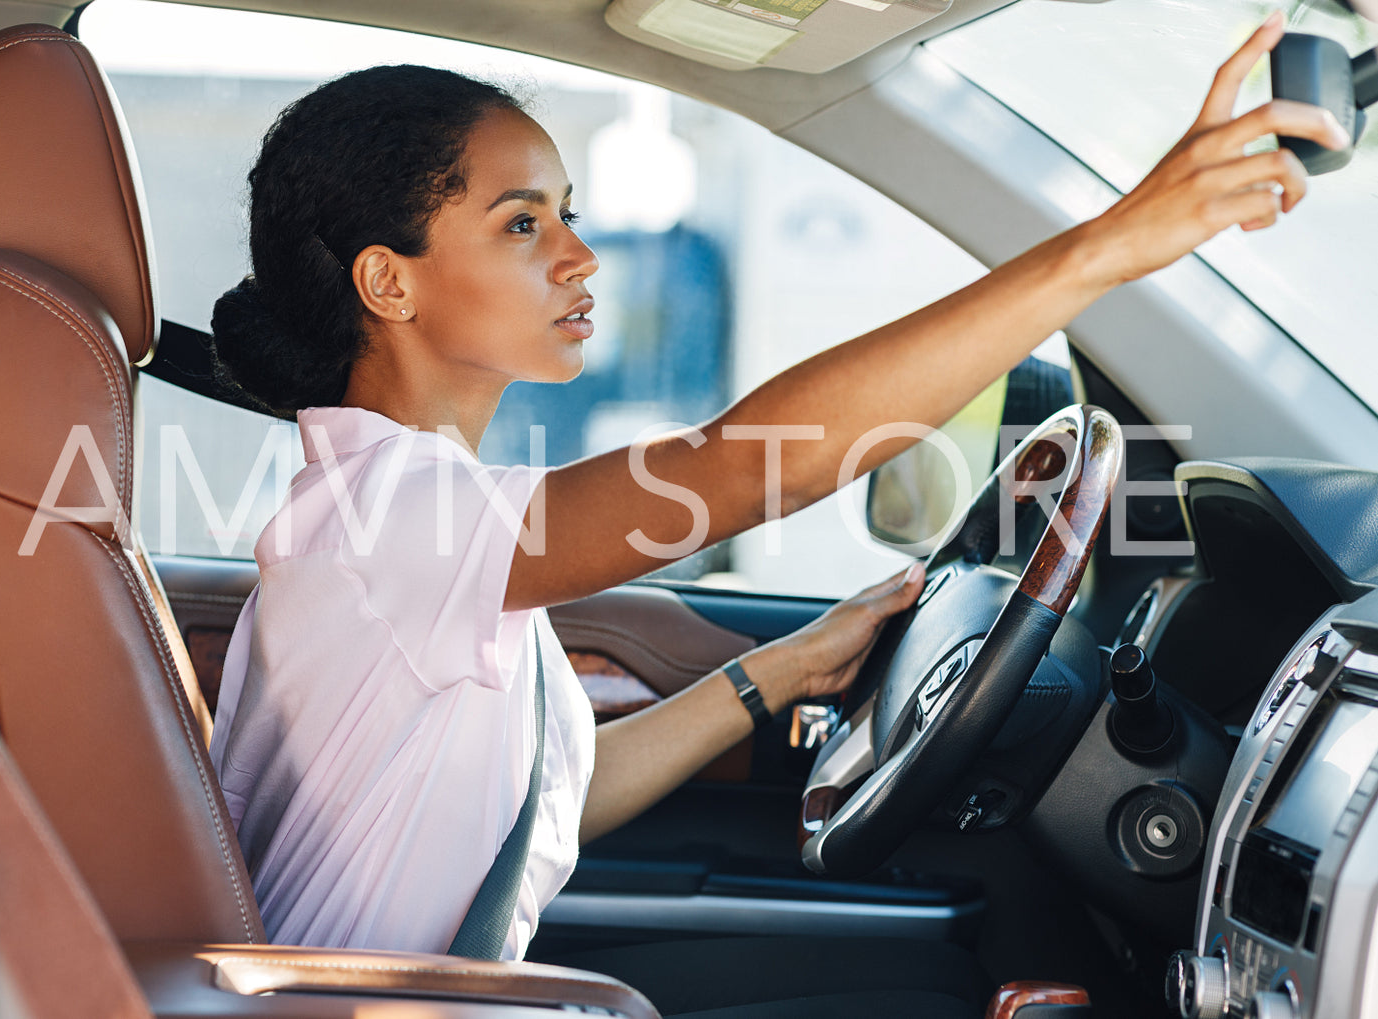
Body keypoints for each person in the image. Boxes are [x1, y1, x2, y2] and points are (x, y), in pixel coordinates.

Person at [206, 12, 1346, 1015]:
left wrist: (778, 670)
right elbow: (749, 469)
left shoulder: (396, 509)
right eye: (522, 225)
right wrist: (1104, 247)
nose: (580, 255)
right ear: (387, 282)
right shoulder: (393, 517)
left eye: (568, 214)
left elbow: (546, 800)